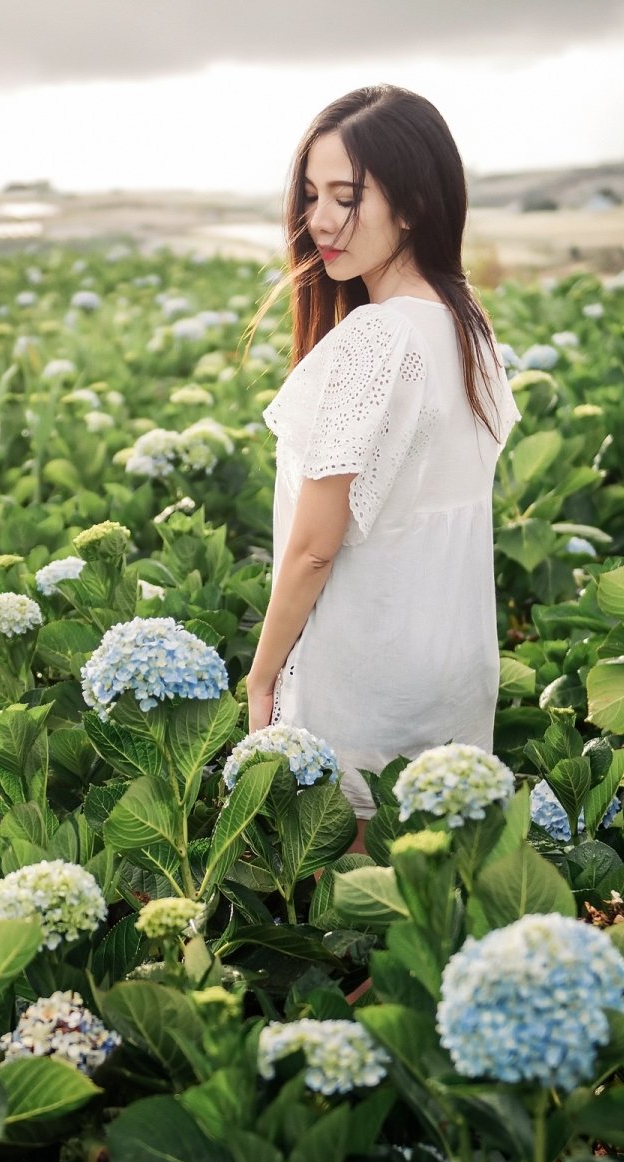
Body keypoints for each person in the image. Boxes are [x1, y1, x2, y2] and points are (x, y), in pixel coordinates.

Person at [241, 85, 522, 852]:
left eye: (346, 197)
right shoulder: (468, 327)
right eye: (311, 196)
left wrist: (262, 678)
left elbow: (312, 548)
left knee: (355, 927)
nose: (320, 221)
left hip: (366, 686)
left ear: (413, 206)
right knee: (432, 917)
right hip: (455, 676)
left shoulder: (375, 340)